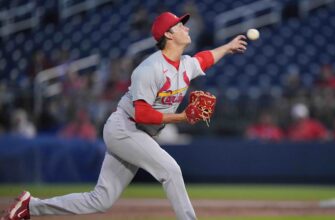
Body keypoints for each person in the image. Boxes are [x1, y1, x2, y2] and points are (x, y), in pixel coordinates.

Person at [2, 12, 247, 220]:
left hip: (138, 133)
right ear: (169, 35)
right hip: (126, 128)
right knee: (170, 170)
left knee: (100, 200)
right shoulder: (150, 69)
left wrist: (227, 47)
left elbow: (203, 59)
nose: (187, 27)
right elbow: (142, 114)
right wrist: (182, 118)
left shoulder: (183, 64)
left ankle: (30, 206)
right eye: (180, 25)